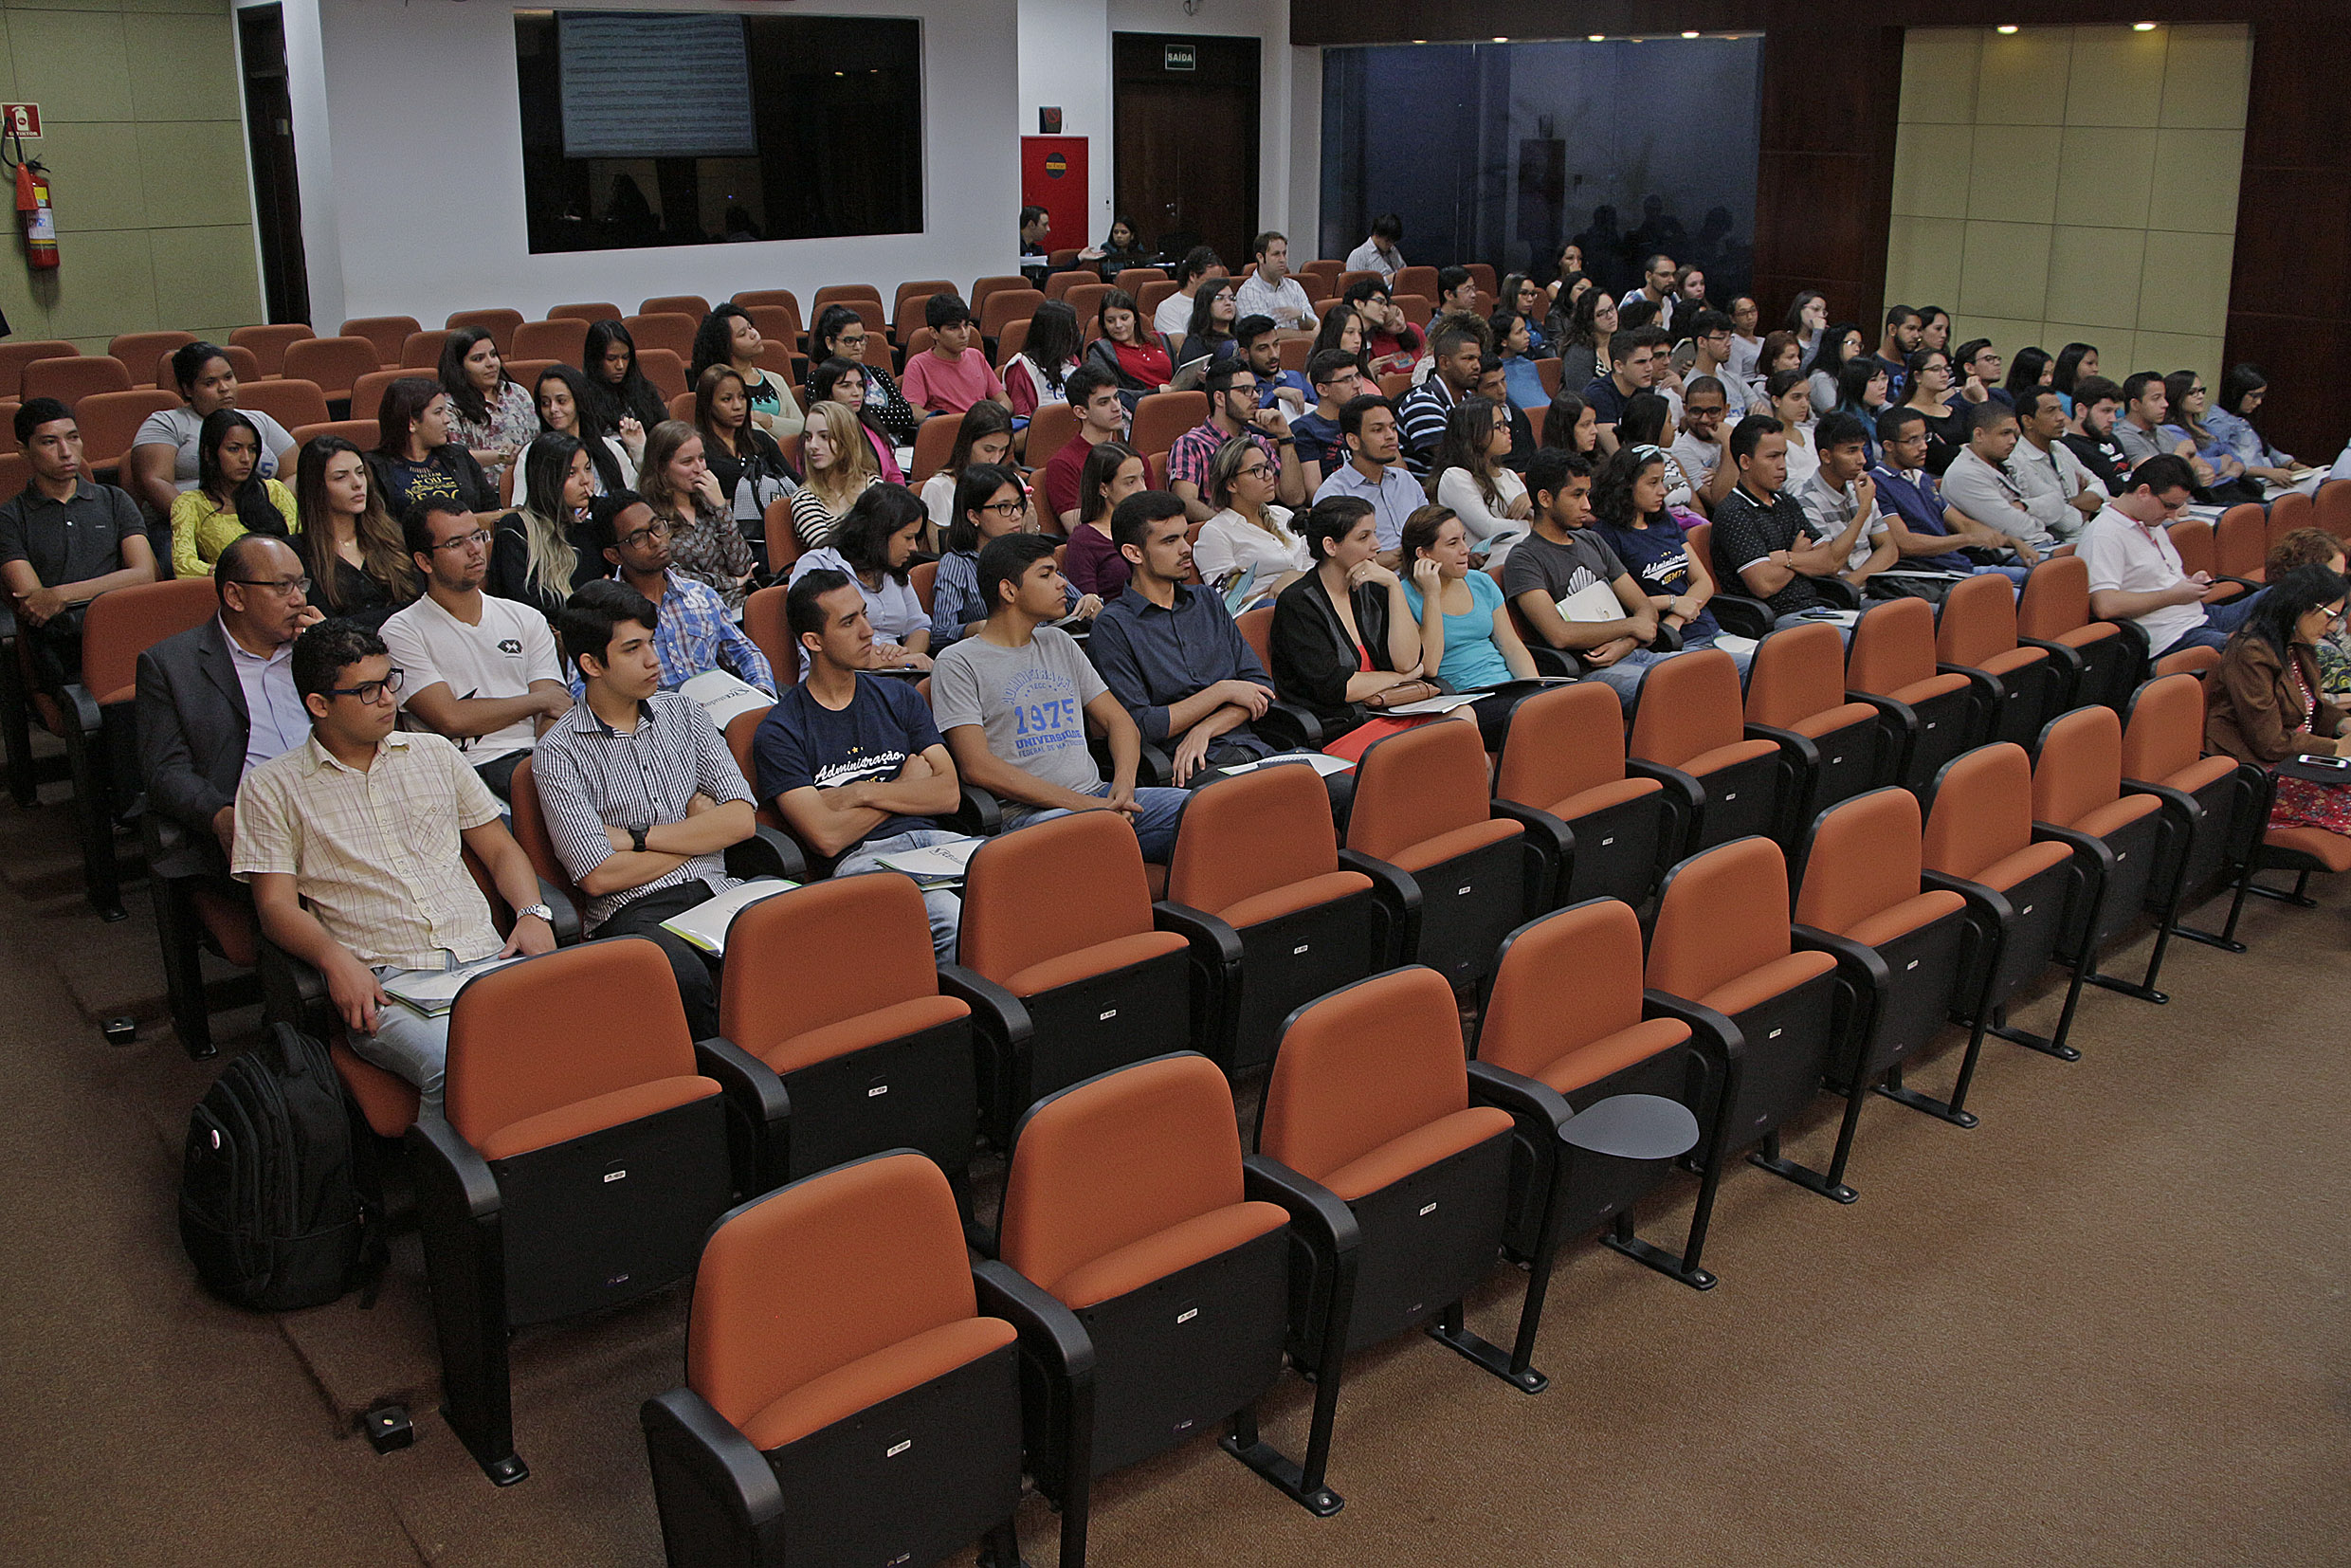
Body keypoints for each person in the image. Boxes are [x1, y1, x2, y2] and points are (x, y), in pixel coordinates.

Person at [236, 619, 557, 1117]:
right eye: (368, 691)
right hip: (388, 983)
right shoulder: (271, 788)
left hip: (488, 957)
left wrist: (531, 912)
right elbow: (275, 908)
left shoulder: (434, 754)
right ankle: (461, 1168)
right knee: (463, 1066)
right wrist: (334, 961)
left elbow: (499, 848)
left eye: (390, 681)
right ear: (319, 705)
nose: (389, 699)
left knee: (581, 1039)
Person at [533, 579, 758, 1037]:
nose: (654, 660)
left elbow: (741, 820)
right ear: (591, 664)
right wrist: (698, 832)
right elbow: (599, 876)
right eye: (633, 649)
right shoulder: (558, 752)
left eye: (651, 643)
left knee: (801, 928)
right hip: (633, 913)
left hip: (717, 888)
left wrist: (639, 839)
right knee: (685, 976)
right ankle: (725, 1075)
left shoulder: (686, 713)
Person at [931, 532, 1189, 856]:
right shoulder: (957, 662)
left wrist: (1123, 788)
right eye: (1046, 575)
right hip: (1027, 817)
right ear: (1008, 591)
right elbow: (976, 766)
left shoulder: (1059, 642)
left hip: (1100, 797)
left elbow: (1120, 722)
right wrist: (1086, 806)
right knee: (1095, 835)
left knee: (1206, 810)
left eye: (1058, 572)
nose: (1062, 583)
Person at [754, 568, 968, 955]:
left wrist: (858, 794)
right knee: (952, 918)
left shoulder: (899, 697)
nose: (868, 631)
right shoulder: (781, 731)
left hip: (935, 844)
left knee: (1018, 885)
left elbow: (949, 794)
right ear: (813, 641)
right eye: (849, 622)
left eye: (865, 615)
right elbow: (827, 837)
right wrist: (905, 787)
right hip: (863, 860)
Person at [136, 535, 319, 892]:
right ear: (235, 596)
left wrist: (334, 653)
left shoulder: (314, 647)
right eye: (282, 586)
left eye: (301, 584)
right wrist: (219, 815)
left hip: (341, 804)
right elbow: (165, 771)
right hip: (259, 823)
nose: (299, 599)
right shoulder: (171, 665)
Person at [1087, 491, 1285, 784]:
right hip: (1189, 767)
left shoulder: (1206, 600)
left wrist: (1206, 728)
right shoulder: (1113, 627)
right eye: (1170, 541)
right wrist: (1222, 691)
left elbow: (1260, 687)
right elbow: (1143, 724)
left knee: (1341, 787)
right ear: (1134, 553)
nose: (1186, 549)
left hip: (1254, 748)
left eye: (1184, 537)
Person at [378, 499, 570, 801]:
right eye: (456, 543)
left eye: (478, 536)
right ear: (424, 561)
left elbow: (554, 710)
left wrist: (551, 773)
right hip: (465, 771)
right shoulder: (401, 631)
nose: (475, 550)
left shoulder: (526, 618)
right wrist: (537, 701)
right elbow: (450, 719)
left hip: (537, 763)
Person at [1268, 495, 1446, 758]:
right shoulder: (1298, 604)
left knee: (1463, 721)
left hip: (1394, 712)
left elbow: (1408, 662)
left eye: (1374, 533)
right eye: (1364, 537)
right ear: (1331, 546)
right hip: (1345, 727)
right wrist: (1402, 679)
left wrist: (1394, 586)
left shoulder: (1375, 589)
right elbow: (1342, 687)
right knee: (1429, 755)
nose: (1377, 545)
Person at [0, 400, 156, 683]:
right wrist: (57, 599)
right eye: (49, 442)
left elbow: (145, 575)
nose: (66, 452)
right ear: (23, 449)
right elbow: (36, 602)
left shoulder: (114, 500)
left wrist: (61, 595)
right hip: (66, 644)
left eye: (73, 438)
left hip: (127, 627)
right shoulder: (10, 518)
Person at [1504, 448, 1670, 705]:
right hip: (1591, 674)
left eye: (1587, 494)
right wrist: (1630, 626)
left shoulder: (1592, 540)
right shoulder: (1524, 558)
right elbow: (1559, 634)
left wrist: (1625, 644)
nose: (1587, 506)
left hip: (1634, 654)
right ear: (1545, 499)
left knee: (1717, 668)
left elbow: (1644, 607)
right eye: (1576, 495)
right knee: (1673, 688)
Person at [2204, 565, 2351, 841]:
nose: (2333, 627)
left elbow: (2311, 707)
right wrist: (2335, 748)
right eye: (2329, 616)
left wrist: (2343, 723)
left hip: (2297, 761)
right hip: (2261, 774)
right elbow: (2268, 742)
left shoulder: (2297, 644)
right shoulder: (2251, 653)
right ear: (2300, 607)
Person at [2079, 454, 2269, 658]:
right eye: (2169, 506)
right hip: (2171, 637)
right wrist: (2173, 596)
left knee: (2287, 595)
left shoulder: (2149, 521)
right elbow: (2105, 605)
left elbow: (2159, 581)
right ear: (2143, 492)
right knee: (2255, 649)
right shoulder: (2104, 534)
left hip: (2201, 616)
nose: (2172, 515)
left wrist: (2192, 583)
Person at [587, 492, 775, 696]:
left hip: (717, 706)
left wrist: (762, 694)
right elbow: (584, 687)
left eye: (657, 527)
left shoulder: (701, 596)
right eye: (638, 538)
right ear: (613, 555)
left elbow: (746, 654)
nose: (656, 541)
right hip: (651, 712)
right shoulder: (603, 614)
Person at [1398, 504, 1540, 744]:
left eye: (1464, 539)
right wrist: (1431, 594)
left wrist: (1538, 692)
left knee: (1561, 708)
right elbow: (1429, 667)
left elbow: (1511, 646)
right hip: (1466, 701)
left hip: (1509, 689)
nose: (1466, 549)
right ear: (1423, 554)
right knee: (1537, 721)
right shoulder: (1403, 597)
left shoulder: (1482, 582)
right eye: (1453, 543)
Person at [1586, 443, 1738, 663]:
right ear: (1626, 485)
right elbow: (1622, 603)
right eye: (1652, 483)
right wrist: (1672, 602)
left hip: (1708, 630)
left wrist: (1676, 617)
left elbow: (1704, 582)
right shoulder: (1606, 535)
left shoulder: (1664, 520)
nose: (1663, 491)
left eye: (1662, 481)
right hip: (1667, 644)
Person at [931, 464, 1094, 648]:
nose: (1016, 515)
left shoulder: (1029, 555)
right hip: (995, 655)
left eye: (1018, 505)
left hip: (1045, 648)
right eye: (1004, 507)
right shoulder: (957, 564)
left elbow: (1074, 602)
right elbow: (940, 634)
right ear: (974, 516)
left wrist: (1090, 602)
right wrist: (980, 628)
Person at [129, 343, 297, 521]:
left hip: (261, 519)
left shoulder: (259, 420)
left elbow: (296, 473)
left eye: (228, 377)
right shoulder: (166, 423)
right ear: (187, 389)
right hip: (190, 524)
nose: (224, 388)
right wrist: (209, 523)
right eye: (210, 382)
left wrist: (272, 509)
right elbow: (155, 482)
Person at [1869, 407, 2033, 585]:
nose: (1924, 446)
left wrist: (2012, 541)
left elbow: (1962, 523)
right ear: (1889, 446)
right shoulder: (1878, 484)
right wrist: (1966, 539)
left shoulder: (1922, 478)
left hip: (1961, 566)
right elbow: (1905, 543)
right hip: (1932, 576)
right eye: (1913, 440)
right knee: (2024, 591)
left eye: (1925, 437)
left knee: (2039, 576)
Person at [1709, 416, 1847, 619]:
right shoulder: (1734, 512)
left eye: (1783, 455)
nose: (1782, 465)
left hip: (1818, 607)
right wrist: (1800, 557)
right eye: (1772, 457)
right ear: (1745, 462)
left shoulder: (1787, 502)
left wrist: (1788, 558)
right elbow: (1764, 585)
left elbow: (1829, 561)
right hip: (1777, 618)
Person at [785, 483, 932, 673]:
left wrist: (908, 657)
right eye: (908, 538)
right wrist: (895, 661)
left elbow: (919, 626)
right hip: (840, 677)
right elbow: (824, 646)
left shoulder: (893, 569)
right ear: (880, 534)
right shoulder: (819, 565)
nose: (914, 548)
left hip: (896, 675)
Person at [292, 434, 416, 632]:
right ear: (316, 487)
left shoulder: (394, 536)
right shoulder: (296, 553)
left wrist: (339, 627)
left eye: (360, 472)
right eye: (341, 477)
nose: (357, 483)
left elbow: (419, 605)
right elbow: (313, 622)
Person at [639, 419, 754, 614]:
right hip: (689, 611)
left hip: (737, 605)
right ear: (661, 468)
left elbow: (742, 565)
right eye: (687, 462)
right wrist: (731, 582)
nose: (699, 468)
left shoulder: (710, 501)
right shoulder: (650, 517)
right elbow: (674, 576)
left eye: (701, 458)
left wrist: (721, 508)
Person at [170, 410, 300, 580]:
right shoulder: (190, 504)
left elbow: (300, 543)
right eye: (234, 449)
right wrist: (233, 572)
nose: (246, 458)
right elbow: (183, 566)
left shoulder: (274, 491)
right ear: (209, 453)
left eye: (252, 449)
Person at [1169, 363, 1303, 523]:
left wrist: (1285, 436)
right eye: (1245, 390)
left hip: (1264, 528)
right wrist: (1234, 528)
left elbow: (1294, 498)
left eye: (1255, 390)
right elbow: (1186, 502)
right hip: (1220, 533)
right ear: (1219, 398)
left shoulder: (1257, 442)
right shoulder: (1191, 444)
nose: (1255, 396)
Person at [1935, 399, 2066, 564]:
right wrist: (2043, 520)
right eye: (2005, 434)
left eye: (2014, 434)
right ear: (1979, 435)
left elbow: (2058, 502)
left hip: (2044, 543)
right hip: (2011, 555)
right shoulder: (1964, 474)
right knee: (2075, 564)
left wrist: (2025, 506)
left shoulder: (2010, 461)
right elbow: (2017, 528)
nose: (2013, 441)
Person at [489, 432, 601, 621]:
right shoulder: (516, 528)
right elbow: (524, 600)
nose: (585, 480)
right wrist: (588, 608)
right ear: (546, 478)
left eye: (588, 469)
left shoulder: (592, 530)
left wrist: (602, 510)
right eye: (571, 473)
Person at [1194, 436, 1310, 610]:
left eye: (1267, 467)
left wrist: (1294, 579)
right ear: (1232, 484)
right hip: (1264, 612)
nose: (1269, 476)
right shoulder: (1215, 532)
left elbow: (1311, 562)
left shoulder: (1283, 515)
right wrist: (1278, 590)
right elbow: (1226, 602)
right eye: (1256, 470)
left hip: (1307, 598)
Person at [1795, 411, 1897, 593]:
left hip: (1874, 587)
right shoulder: (1806, 502)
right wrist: (1863, 510)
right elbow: (1831, 562)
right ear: (1826, 456)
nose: (1862, 460)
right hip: (1839, 598)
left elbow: (1889, 548)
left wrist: (1857, 579)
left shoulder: (1859, 489)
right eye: (1851, 451)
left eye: (1862, 449)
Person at [694, 365, 796, 547]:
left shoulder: (761, 440)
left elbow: (794, 482)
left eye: (742, 397)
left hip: (775, 530)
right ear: (707, 404)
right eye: (727, 399)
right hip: (724, 538)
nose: (738, 406)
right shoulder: (698, 450)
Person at [1312, 394, 1425, 552]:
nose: (1390, 436)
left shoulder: (1405, 479)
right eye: (1378, 430)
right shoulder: (1334, 494)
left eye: (1393, 428)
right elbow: (1340, 559)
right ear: (1353, 441)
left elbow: (1429, 531)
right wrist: (1407, 554)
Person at [369, 378, 492, 520]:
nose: (447, 419)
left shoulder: (459, 456)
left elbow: (490, 509)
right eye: (438, 412)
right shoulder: (375, 468)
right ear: (412, 423)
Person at [1427, 396, 1530, 556]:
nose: (1507, 430)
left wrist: (1531, 503)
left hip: (1521, 553)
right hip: (1489, 561)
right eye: (1498, 426)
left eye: (1505, 423)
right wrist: (1533, 525)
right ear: (1475, 434)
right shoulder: (1454, 476)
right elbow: (1489, 529)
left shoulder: (1508, 475)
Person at [805, 304, 922, 445]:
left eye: (861, 339)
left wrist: (861, 412)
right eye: (849, 341)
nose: (858, 347)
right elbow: (836, 418)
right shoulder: (817, 379)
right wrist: (882, 415)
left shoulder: (879, 374)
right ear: (830, 343)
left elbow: (905, 414)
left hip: (895, 446)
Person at [519, 364, 635, 504]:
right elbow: (521, 506)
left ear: (579, 400)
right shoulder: (531, 453)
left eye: (561, 401)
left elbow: (636, 496)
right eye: (545, 403)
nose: (553, 409)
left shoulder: (610, 448)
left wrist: (638, 448)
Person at [688, 303, 804, 443]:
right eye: (743, 334)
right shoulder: (715, 385)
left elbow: (803, 428)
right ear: (726, 346)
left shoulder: (775, 379)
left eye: (750, 327)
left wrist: (765, 419)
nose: (753, 334)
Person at [2005, 388, 2107, 540]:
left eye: (2060, 409)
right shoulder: (2018, 461)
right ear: (2028, 421)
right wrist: (2086, 504)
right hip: (2061, 544)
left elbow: (2101, 488)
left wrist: (2069, 503)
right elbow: (2068, 523)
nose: (2061, 418)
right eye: (2051, 411)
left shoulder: (2059, 448)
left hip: (2090, 533)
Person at [438, 327, 537, 485]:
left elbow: (537, 440)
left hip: (529, 485)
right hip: (483, 491)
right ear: (459, 366)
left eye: (493, 355)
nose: (491, 363)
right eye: (478, 359)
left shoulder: (517, 393)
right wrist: (502, 455)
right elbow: (456, 457)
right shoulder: (448, 405)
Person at [2268, 529, 2351, 702]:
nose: (2339, 585)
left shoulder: (2332, 609)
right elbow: (2309, 702)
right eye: (2333, 577)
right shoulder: (2283, 632)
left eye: (2342, 577)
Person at [789, 400, 882, 553]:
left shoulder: (872, 484)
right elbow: (831, 555)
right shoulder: (804, 500)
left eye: (824, 437)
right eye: (808, 437)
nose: (813, 446)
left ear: (847, 440)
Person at [918, 401, 1021, 536]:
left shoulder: (1011, 481)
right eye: (988, 449)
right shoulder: (939, 489)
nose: (995, 460)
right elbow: (941, 546)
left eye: (1002, 450)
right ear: (967, 444)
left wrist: (1030, 523)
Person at [1043, 366, 1127, 529]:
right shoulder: (1063, 465)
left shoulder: (1134, 456)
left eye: (1116, 397)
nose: (1116, 407)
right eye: (1104, 402)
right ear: (1081, 412)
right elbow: (1078, 528)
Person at [1064, 441, 1148, 600]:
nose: (1142, 488)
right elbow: (1088, 605)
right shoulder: (1083, 541)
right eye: (1130, 482)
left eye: (1142, 478)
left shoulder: (1150, 526)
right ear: (1103, 489)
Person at [1396, 320, 1484, 474]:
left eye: (1478, 359)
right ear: (1444, 363)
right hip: (1429, 485)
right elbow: (1450, 458)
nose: (1476, 365)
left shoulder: (1470, 399)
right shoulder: (1422, 401)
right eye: (1468, 359)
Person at [807, 356, 907, 485]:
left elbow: (893, 472)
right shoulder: (817, 432)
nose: (856, 392)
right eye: (845, 386)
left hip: (884, 494)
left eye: (860, 385)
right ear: (828, 392)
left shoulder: (871, 425)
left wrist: (899, 495)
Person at [904, 294, 1008, 417]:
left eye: (966, 325)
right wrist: (950, 421)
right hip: (949, 427)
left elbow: (1005, 401)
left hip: (984, 424)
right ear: (934, 333)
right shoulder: (918, 365)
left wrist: (992, 417)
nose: (964, 334)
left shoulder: (976, 356)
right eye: (954, 328)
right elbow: (914, 411)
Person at [2161, 369, 2257, 501]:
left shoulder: (2205, 427)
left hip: (2233, 486)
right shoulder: (2172, 430)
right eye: (2192, 393)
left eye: (2201, 390)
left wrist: (2226, 468)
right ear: (2176, 396)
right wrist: (2224, 460)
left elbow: (2237, 460)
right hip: (2209, 495)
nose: (2200, 396)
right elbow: (2200, 466)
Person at [2210, 364, 2303, 487]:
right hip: (2246, 486)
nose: (2258, 402)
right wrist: (2267, 472)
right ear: (2236, 393)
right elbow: (2222, 463)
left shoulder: (2244, 417)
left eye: (2261, 396)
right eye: (2254, 396)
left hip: (2267, 481)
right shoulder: (2218, 424)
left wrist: (2292, 465)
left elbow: (2266, 450)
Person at [1584, 326, 1668, 455]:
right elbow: (1615, 453)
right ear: (1619, 366)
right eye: (1641, 362)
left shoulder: (1645, 390)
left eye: (1650, 360)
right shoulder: (1599, 395)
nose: (1649, 368)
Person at [1086, 288, 1176, 408]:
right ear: (1104, 324)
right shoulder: (1100, 350)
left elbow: (1179, 375)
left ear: (1135, 319)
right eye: (1110, 321)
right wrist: (1154, 392)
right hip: (1141, 409)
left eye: (1124, 318)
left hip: (1177, 400)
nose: (1118, 325)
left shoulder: (1161, 339)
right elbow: (1105, 394)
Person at [580, 319, 671, 436]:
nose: (620, 366)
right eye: (611, 359)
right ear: (595, 360)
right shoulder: (583, 397)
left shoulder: (645, 389)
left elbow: (665, 432)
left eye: (625, 357)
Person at [1002, 300, 1084, 419]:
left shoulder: (1071, 360)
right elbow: (1022, 418)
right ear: (1056, 335)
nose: (1077, 334)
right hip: (1043, 427)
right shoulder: (1020, 367)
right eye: (1072, 329)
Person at [1669, 378, 1739, 514]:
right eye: (1696, 411)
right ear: (1685, 410)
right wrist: (1727, 443)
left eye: (1713, 411)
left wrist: (1720, 477)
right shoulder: (1683, 450)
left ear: (1726, 409)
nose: (1704, 419)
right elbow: (1720, 501)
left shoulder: (1738, 429)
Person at [1291, 349, 1363, 478]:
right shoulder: (1305, 429)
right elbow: (1314, 487)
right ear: (1323, 389)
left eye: (1357, 376)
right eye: (1346, 380)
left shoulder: (1365, 418)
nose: (1357, 385)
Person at [1899, 349, 1964, 475]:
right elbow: (1937, 456)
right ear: (1918, 376)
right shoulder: (1907, 414)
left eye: (1946, 369)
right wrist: (1962, 448)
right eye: (1936, 369)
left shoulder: (1953, 409)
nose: (1944, 375)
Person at [2063, 374, 2133, 493]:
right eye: (2106, 411)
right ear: (2081, 410)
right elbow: (2090, 496)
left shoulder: (2111, 438)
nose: (2113, 419)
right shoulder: (2067, 449)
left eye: (2115, 412)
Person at [1234, 230, 1315, 330]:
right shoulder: (1248, 292)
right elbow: (1266, 334)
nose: (1282, 259)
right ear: (1260, 258)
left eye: (1284, 253)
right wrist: (1308, 334)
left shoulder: (1294, 286)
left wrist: (1302, 316)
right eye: (1276, 254)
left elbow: (1316, 326)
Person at [1757, 369, 1820, 492]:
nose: (1805, 404)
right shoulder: (1769, 442)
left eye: (1807, 397)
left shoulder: (1811, 433)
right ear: (1776, 401)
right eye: (1796, 397)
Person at [1238, 315, 1313, 417]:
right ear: (1245, 353)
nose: (1273, 354)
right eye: (1263, 348)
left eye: (1276, 344)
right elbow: (1247, 419)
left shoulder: (1295, 377)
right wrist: (1274, 394)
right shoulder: (1242, 389)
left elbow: (1321, 411)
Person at [1684, 309, 1752, 420]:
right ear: (1702, 342)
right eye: (1721, 338)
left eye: (1730, 337)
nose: (1729, 344)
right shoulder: (1690, 386)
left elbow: (1760, 409)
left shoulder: (1734, 379)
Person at [1349, 278, 1424, 377]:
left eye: (1398, 313)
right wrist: (1368, 373)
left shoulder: (1414, 330)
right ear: (1359, 304)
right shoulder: (1345, 336)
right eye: (1380, 302)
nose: (1385, 310)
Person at [1152, 246, 1228, 342]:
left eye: (1219, 282)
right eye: (1211, 281)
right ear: (1192, 276)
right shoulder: (1168, 308)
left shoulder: (1224, 302)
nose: (1216, 287)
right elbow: (1181, 346)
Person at [2114, 372, 2181, 469]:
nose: (2165, 404)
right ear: (2135, 405)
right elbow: (2153, 473)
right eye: (2156, 398)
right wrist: (2182, 453)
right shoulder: (2123, 437)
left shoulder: (2163, 432)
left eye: (2164, 397)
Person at [1557, 286, 1616, 394]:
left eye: (1612, 308)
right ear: (1588, 319)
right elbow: (1581, 395)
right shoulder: (1578, 353)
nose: (1610, 316)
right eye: (1601, 313)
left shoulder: (1619, 343)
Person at [1176, 277, 1241, 371]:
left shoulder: (1242, 334)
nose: (1228, 303)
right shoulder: (1195, 343)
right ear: (1205, 304)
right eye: (1219, 298)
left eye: (1232, 298)